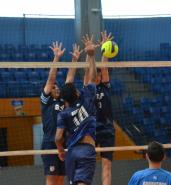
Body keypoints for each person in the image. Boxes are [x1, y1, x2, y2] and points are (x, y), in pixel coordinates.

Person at [55, 35, 97, 185]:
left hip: (71, 152)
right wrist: (91, 55)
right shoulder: (87, 99)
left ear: (65, 100)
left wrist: (60, 149)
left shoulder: (63, 113)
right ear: (77, 93)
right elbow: (92, 78)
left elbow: (58, 137)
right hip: (86, 150)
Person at [41, 41, 81, 185]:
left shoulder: (64, 100)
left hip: (65, 143)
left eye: (58, 87)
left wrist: (75, 60)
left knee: (60, 179)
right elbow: (51, 79)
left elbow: (69, 81)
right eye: (54, 87)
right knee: (51, 180)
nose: (56, 88)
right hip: (50, 143)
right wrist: (56, 58)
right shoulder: (46, 101)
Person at [84, 30, 115, 185]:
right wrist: (90, 54)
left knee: (106, 166)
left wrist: (104, 49)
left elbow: (104, 68)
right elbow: (89, 70)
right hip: (91, 130)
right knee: (87, 165)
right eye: (95, 74)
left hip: (107, 129)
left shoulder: (105, 86)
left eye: (100, 75)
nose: (99, 76)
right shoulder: (88, 88)